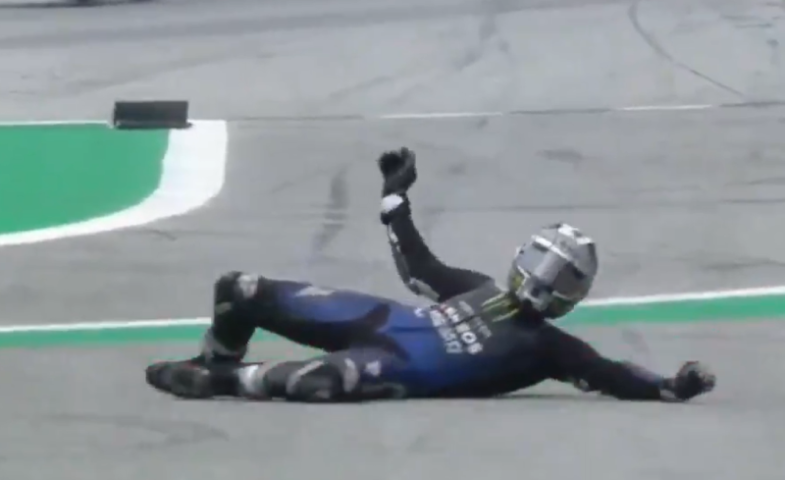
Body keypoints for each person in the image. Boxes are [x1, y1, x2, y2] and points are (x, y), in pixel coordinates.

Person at [145, 148, 716, 403]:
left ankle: (222, 383)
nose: (543, 281)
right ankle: (213, 361)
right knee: (238, 288)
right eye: (544, 264)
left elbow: (614, 376)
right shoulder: (478, 288)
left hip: (397, 367)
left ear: (572, 297)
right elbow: (419, 267)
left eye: (559, 277)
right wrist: (395, 198)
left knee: (315, 384)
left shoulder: (551, 349)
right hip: (379, 320)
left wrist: (671, 386)